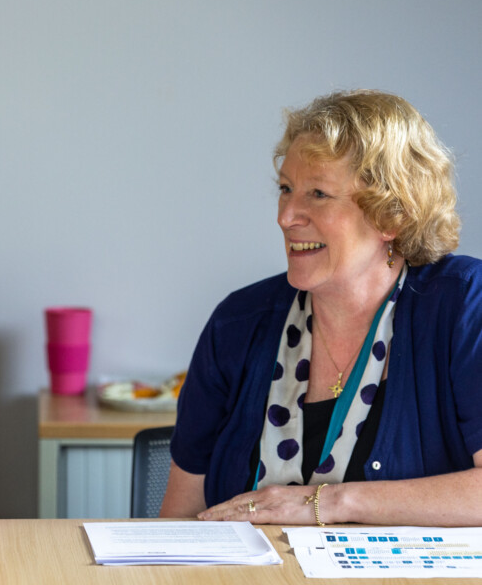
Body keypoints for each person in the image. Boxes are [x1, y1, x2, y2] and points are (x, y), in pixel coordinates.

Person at [160, 90, 482, 526]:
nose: (287, 215)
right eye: (286, 189)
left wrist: (330, 502)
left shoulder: (463, 306)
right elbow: (178, 520)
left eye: (318, 194)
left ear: (391, 216)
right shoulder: (237, 324)